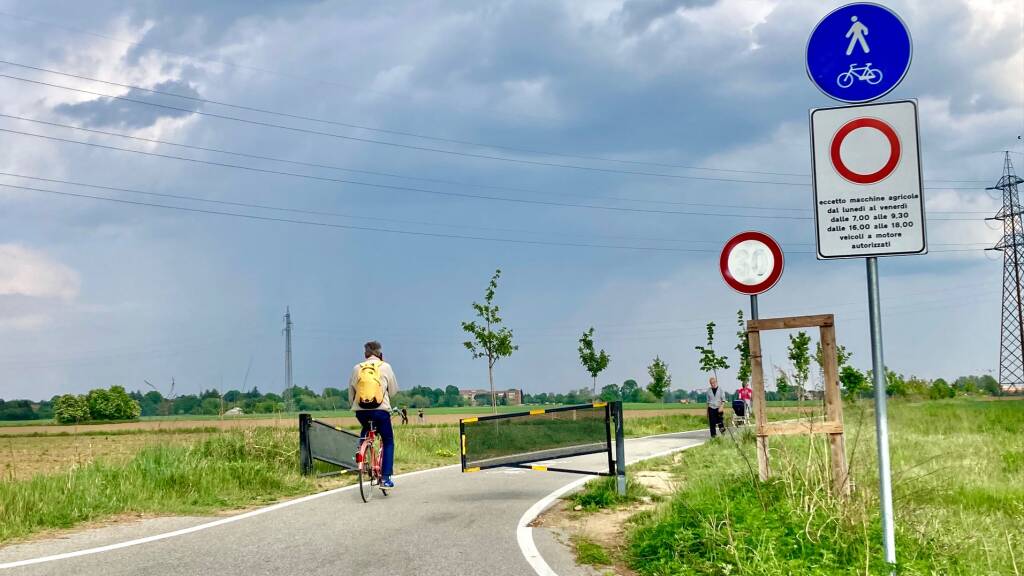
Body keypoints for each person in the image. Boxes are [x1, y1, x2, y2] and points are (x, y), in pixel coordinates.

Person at [349, 341, 399, 488]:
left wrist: (355, 406)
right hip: (380, 411)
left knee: (366, 429)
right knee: (388, 441)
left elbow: (351, 393)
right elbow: (394, 390)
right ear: (380, 353)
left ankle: (361, 452)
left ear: (365, 354)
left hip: (361, 412)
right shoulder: (386, 367)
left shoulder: (357, 368)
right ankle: (385, 478)